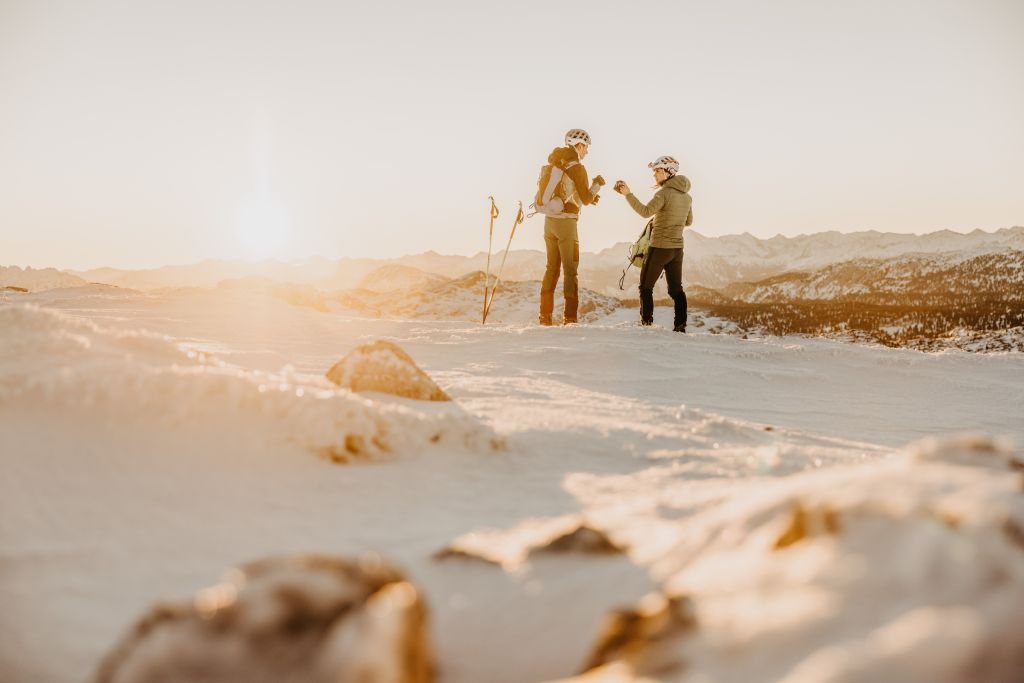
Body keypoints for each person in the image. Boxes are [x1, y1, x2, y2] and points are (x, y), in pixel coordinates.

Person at [614, 156, 693, 331]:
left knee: (645, 287)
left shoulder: (663, 193)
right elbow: (688, 221)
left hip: (660, 247)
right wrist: (670, 220)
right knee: (676, 290)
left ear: (668, 172)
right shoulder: (687, 197)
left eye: (658, 171)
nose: (655, 175)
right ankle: (680, 326)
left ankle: (646, 324)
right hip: (677, 250)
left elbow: (645, 211)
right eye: (654, 171)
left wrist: (627, 194)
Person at [538, 128, 605, 325]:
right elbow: (584, 198)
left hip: (549, 221)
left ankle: (545, 316)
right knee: (570, 269)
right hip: (567, 224)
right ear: (580, 145)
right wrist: (597, 185)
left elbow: (567, 191)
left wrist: (586, 195)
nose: (587, 152)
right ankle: (570, 318)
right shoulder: (577, 167)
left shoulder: (555, 163)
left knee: (551, 268)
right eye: (586, 147)